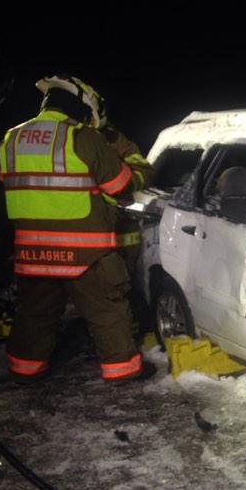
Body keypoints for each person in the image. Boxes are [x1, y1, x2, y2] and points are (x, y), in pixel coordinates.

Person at [0, 74, 154, 384]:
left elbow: (10, 182)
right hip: (84, 253)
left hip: (32, 251)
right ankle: (123, 370)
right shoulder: (82, 137)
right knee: (108, 310)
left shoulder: (10, 139)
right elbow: (119, 184)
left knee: (33, 314)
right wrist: (136, 176)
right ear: (82, 106)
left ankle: (25, 370)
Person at [98, 112, 153, 339]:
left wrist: (125, 181)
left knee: (123, 285)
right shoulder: (79, 140)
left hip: (119, 224)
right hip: (93, 229)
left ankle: (130, 335)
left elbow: (140, 169)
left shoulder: (112, 138)